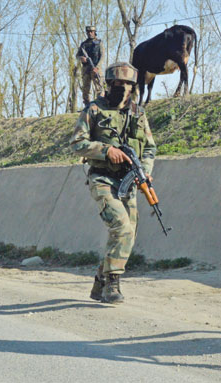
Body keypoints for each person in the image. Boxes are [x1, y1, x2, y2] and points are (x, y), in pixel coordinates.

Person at [70, 62, 156, 304]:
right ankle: (113, 284)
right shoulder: (94, 110)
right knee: (121, 227)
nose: (123, 88)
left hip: (128, 182)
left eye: (128, 84)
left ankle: (100, 281)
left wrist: (145, 172)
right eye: (118, 84)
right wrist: (105, 150)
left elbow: (149, 148)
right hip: (102, 178)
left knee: (128, 235)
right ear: (109, 85)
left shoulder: (138, 113)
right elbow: (77, 143)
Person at [77, 25, 104, 106]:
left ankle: (100, 105)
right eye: (88, 32)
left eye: (91, 32)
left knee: (99, 88)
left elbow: (102, 56)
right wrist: (81, 58)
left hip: (96, 68)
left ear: (95, 32)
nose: (90, 33)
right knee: (85, 89)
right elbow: (77, 55)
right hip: (86, 69)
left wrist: (97, 67)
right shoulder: (84, 44)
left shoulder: (99, 43)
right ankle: (87, 106)